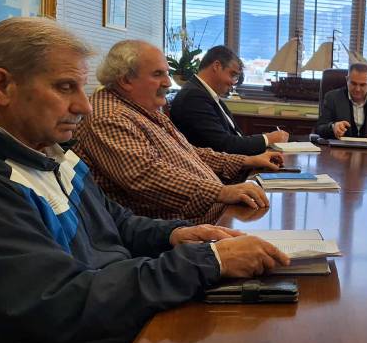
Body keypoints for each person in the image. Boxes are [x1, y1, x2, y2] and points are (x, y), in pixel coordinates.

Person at [0, 17, 290, 343]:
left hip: (96, 336)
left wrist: (175, 235)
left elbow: (116, 220)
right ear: (1, 86)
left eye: (81, 88)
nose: (84, 106)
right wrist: (207, 262)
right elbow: (63, 302)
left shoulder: (49, 151)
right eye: (65, 88)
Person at [73, 40, 283, 225]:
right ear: (126, 80)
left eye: (166, 73)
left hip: (212, 214)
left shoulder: (142, 109)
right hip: (181, 230)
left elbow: (188, 153)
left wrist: (247, 161)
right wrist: (222, 192)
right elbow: (146, 176)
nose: (168, 82)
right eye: (158, 74)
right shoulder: (110, 117)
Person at [169, 45, 289, 155]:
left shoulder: (207, 94)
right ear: (216, 66)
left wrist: (265, 139)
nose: (233, 82)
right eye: (232, 75)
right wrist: (268, 139)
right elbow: (224, 145)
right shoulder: (193, 97)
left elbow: (235, 137)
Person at [315, 63, 367, 143]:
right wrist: (333, 127)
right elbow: (319, 128)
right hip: (340, 149)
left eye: (362, 85)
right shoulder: (332, 97)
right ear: (347, 80)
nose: (357, 89)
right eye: (353, 83)